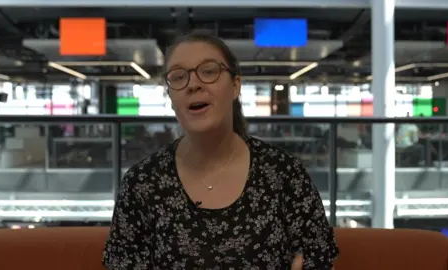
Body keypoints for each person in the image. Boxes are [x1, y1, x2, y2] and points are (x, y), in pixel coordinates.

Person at [102, 32, 339, 269]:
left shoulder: (285, 174)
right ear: (170, 97)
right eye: (178, 76)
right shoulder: (142, 183)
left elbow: (316, 256)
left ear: (235, 86)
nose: (193, 84)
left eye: (208, 72)